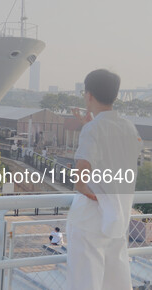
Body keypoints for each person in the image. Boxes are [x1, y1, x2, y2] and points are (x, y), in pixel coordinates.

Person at [66, 69, 142, 290]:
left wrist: (93, 194)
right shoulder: (128, 127)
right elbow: (116, 154)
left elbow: (80, 179)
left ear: (88, 95)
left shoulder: (93, 129)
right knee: (116, 283)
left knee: (84, 283)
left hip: (89, 220)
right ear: (115, 96)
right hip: (117, 218)